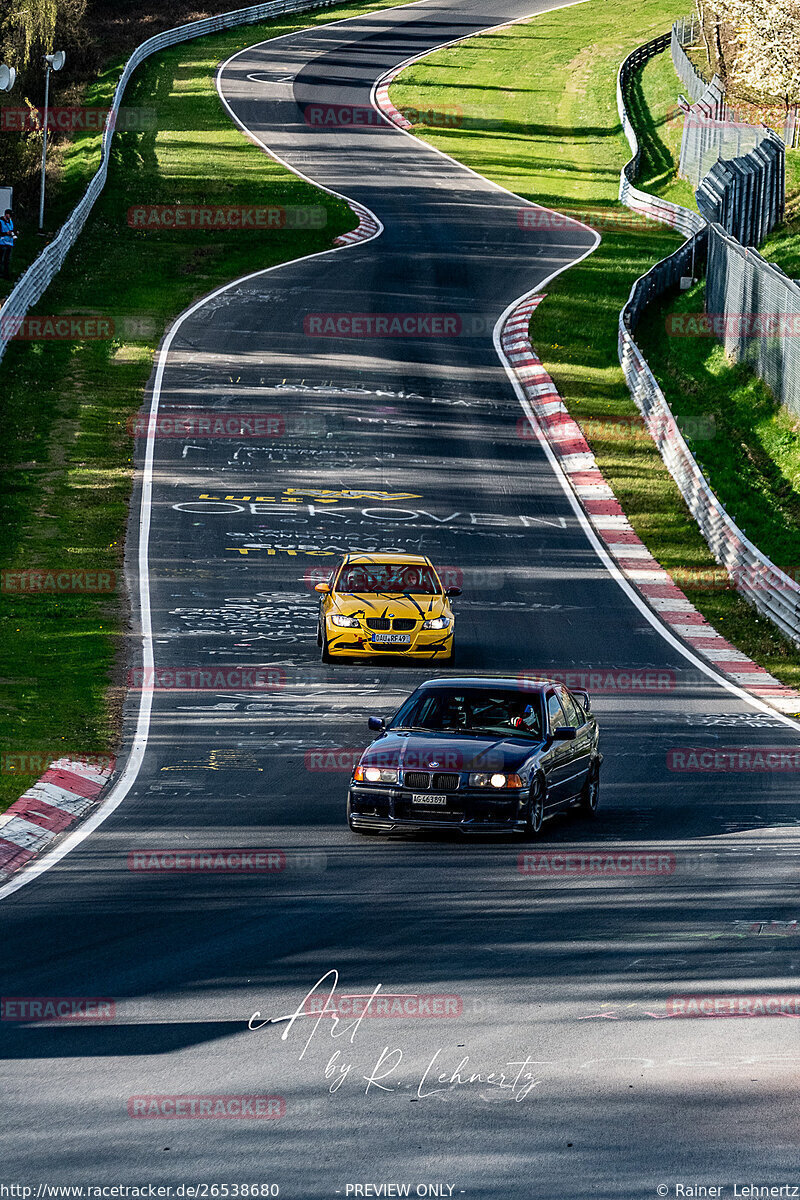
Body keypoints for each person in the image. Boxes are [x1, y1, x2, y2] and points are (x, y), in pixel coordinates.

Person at [0, 210, 16, 280]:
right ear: (6, 214)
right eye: (10, 215)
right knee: (1, 260)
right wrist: (6, 233)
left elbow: (12, 229)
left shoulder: (10, 222)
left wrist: (14, 233)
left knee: (7, 260)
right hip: (2, 243)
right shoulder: (0, 222)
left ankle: (6, 274)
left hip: (9, 243)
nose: (10, 217)